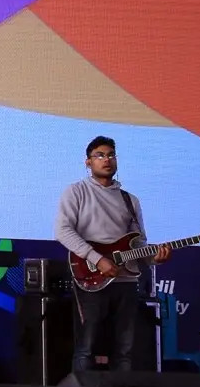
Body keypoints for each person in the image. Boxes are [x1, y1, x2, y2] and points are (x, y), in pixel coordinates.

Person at [55, 136, 168, 373]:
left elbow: (139, 243)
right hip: (90, 277)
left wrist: (153, 258)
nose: (106, 160)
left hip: (126, 281)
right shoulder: (76, 191)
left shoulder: (130, 200)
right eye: (100, 155)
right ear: (88, 162)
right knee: (86, 348)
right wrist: (98, 259)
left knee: (125, 349)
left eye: (111, 155)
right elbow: (62, 231)